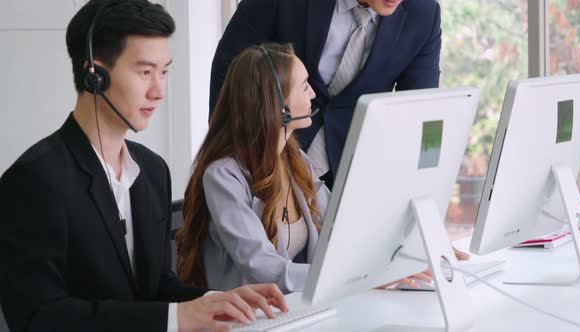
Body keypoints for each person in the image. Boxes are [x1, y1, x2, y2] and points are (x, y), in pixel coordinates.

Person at [0, 1, 286, 332]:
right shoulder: (34, 181)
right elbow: (39, 316)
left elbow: (156, 287)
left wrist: (220, 301)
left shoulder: (151, 171)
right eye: (145, 72)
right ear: (95, 75)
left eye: (164, 72)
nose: (159, 91)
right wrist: (175, 318)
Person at [177, 43, 433, 293]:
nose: (312, 94)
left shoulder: (294, 159)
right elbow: (264, 269)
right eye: (304, 86)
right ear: (277, 104)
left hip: (293, 311)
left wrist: (404, 253)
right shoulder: (223, 177)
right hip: (245, 319)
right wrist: (359, 277)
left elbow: (340, 225)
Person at [209, 0, 442, 189]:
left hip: (352, 178)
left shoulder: (424, 15)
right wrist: (236, 162)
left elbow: (420, 114)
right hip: (263, 165)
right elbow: (229, 69)